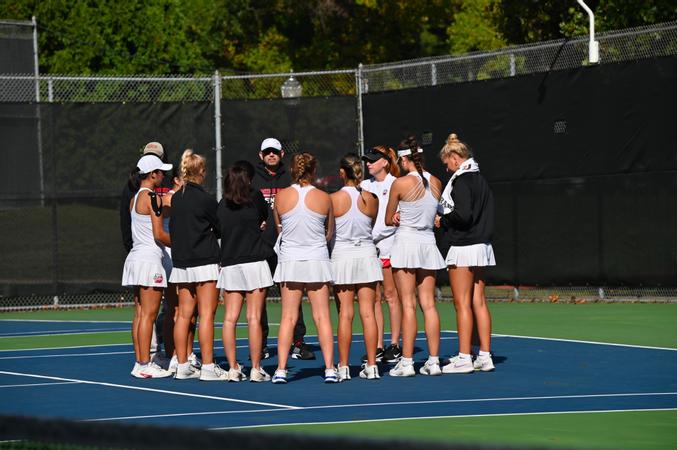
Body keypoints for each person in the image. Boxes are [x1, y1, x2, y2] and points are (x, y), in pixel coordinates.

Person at [271, 152, 337, 384]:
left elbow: (280, 231)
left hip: (291, 260)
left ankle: (280, 370)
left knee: (288, 317)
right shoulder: (324, 197)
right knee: (322, 317)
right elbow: (329, 233)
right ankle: (330, 368)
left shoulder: (281, 197)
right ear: (314, 171)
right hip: (316, 259)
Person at [385, 136, 446, 377]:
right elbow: (435, 215)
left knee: (408, 305)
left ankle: (408, 362)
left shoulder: (399, 183)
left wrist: (398, 216)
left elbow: (389, 219)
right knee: (428, 305)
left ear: (403, 159)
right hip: (427, 242)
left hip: (407, 241)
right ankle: (433, 361)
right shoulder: (437, 182)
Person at [437, 133, 496, 373]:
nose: (446, 167)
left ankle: (464, 357)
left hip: (463, 246)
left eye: (447, 162)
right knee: (478, 302)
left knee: (462, 303)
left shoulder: (461, 181)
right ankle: (484, 354)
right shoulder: (480, 179)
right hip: (480, 245)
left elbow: (463, 215)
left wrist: (443, 219)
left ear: (454, 157)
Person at [252, 137, 314, 360]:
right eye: (267, 152)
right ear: (261, 155)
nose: (271, 155)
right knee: (259, 297)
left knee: (293, 296)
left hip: (287, 246)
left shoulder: (290, 178)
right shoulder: (253, 179)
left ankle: (298, 342)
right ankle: (261, 344)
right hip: (260, 246)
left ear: (281, 154)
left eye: (275, 152)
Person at [217, 160, 275, 382]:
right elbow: (263, 219)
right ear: (249, 179)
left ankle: (233, 368)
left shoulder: (222, 204)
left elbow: (219, 229)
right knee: (254, 317)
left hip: (230, 263)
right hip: (254, 262)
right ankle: (256, 368)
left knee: (230, 319)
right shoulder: (256, 198)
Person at [169, 149, 224, 381]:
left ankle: (182, 365)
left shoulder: (175, 198)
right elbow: (220, 227)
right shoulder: (205, 199)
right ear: (200, 171)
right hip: (204, 260)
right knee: (207, 315)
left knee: (183, 314)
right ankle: (209, 367)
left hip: (181, 262)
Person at [331, 153, 383, 380]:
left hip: (343, 256)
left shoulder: (333, 199)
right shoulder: (372, 199)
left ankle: (343, 366)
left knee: (345, 314)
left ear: (343, 173)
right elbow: (370, 225)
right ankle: (372, 365)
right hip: (366, 255)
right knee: (368, 313)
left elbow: (329, 231)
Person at [122, 154, 174, 379]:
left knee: (141, 314)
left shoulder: (135, 198)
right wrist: (186, 244)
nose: (163, 175)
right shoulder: (150, 196)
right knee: (149, 316)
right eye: (161, 172)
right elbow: (159, 234)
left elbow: (162, 211)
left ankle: (140, 362)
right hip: (149, 260)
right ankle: (144, 363)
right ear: (153, 174)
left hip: (136, 258)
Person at [360, 145, 403, 364]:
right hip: (369, 248)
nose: (369, 163)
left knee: (391, 295)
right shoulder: (363, 185)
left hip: (389, 245)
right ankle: (377, 345)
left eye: (373, 160)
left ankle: (394, 344)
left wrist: (377, 235)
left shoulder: (395, 183)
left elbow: (396, 217)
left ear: (385, 162)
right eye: (367, 160)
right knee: (374, 297)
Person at [162, 169, 199, 374]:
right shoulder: (169, 199)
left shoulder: (187, 198)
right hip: (172, 257)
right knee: (174, 309)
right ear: (176, 179)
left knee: (191, 310)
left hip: (187, 255)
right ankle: (174, 355)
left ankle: (188, 353)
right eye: (184, 177)